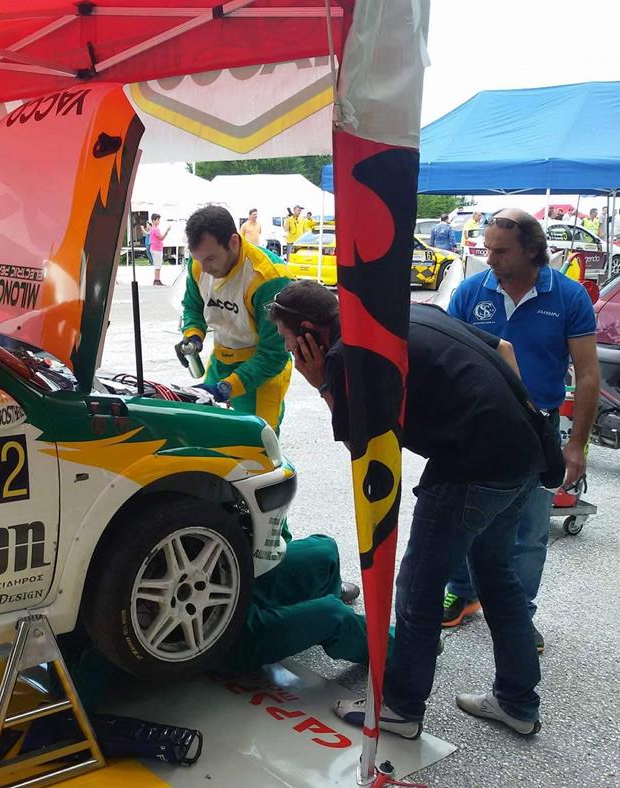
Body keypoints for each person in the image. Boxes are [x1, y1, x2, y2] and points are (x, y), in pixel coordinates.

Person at [269, 279, 548, 738]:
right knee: (496, 576)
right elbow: (504, 348)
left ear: (308, 333)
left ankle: (399, 708)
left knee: (418, 588)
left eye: (287, 340)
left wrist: (321, 382)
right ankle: (518, 702)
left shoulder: (346, 355)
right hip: (524, 449)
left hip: (470, 467)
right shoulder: (401, 310)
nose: (287, 351)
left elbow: (366, 449)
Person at [441, 210, 599, 651]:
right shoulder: (472, 291)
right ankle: (462, 593)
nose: (489, 259)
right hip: (477, 427)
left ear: (532, 250)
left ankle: (519, 616)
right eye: (487, 249)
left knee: (529, 532)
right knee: (465, 519)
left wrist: (577, 446)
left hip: (538, 429)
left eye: (501, 251)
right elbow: (447, 358)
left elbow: (588, 375)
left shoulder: (568, 296)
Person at [63, 534, 369, 708]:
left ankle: (307, 608)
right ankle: (394, 658)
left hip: (226, 579)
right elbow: (80, 692)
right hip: (217, 638)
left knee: (325, 551)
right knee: (333, 616)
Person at [177, 205, 293, 431]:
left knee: (255, 443)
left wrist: (225, 389)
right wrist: (192, 336)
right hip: (221, 360)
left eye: (211, 258)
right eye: (198, 259)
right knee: (208, 432)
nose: (205, 268)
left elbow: (273, 354)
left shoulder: (269, 278)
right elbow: (193, 306)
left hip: (261, 371)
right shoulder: (199, 263)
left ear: (233, 242)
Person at [148, 213, 171, 286]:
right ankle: (157, 280)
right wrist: (167, 231)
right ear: (153, 221)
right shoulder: (156, 229)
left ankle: (156, 279)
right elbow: (161, 238)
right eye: (157, 220)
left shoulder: (152, 229)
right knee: (158, 265)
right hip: (156, 249)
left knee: (157, 264)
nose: (158, 221)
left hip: (154, 248)